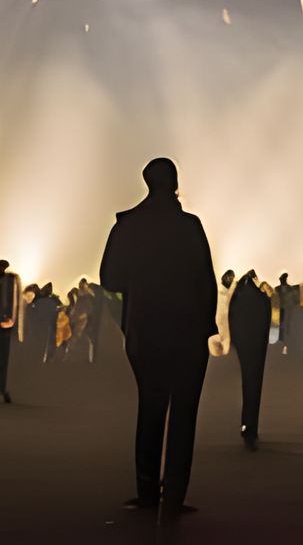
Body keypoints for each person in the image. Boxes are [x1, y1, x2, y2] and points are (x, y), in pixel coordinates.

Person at [98, 158, 218, 516]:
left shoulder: (128, 226)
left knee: (150, 409)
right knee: (184, 415)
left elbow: (110, 280)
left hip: (145, 330)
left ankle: (147, 490)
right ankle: (175, 494)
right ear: (175, 183)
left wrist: (131, 311)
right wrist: (205, 325)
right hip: (187, 333)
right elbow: (206, 282)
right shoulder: (190, 226)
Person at [228, 270, 270, 448]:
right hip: (257, 345)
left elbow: (231, 320)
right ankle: (250, 427)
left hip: (244, 345)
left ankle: (248, 426)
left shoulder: (236, 298)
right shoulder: (262, 298)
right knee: (254, 383)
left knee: (248, 381)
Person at [0, 260, 20, 404]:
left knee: (5, 356)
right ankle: (2, 387)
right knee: (1, 356)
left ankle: (5, 388)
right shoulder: (2, 280)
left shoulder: (7, 280)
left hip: (5, 322)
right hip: (1, 322)